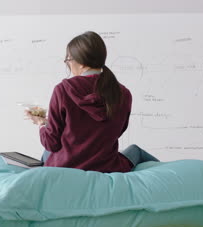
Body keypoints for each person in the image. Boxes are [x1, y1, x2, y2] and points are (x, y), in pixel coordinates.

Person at [25, 31, 158, 172]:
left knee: (48, 153)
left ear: (81, 63)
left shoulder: (63, 90)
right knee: (135, 151)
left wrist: (41, 124)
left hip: (65, 167)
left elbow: (51, 143)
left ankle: (39, 178)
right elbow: (115, 132)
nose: (68, 65)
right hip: (106, 167)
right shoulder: (123, 93)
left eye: (68, 60)